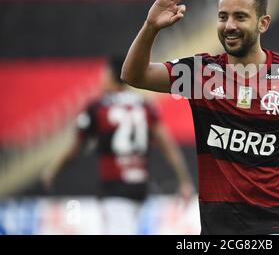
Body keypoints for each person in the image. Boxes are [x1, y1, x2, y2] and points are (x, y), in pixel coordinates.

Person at [121, 0, 279, 235]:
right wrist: (150, 27)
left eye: (240, 17)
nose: (230, 26)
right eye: (223, 17)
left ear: (263, 23)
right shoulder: (199, 73)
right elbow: (134, 75)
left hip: (277, 225)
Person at [42, 57, 194, 234]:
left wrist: (54, 169)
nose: (101, 79)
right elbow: (167, 145)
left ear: (111, 76)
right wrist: (184, 180)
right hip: (140, 188)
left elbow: (77, 146)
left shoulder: (98, 108)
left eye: (104, 74)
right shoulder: (144, 105)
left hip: (115, 189)